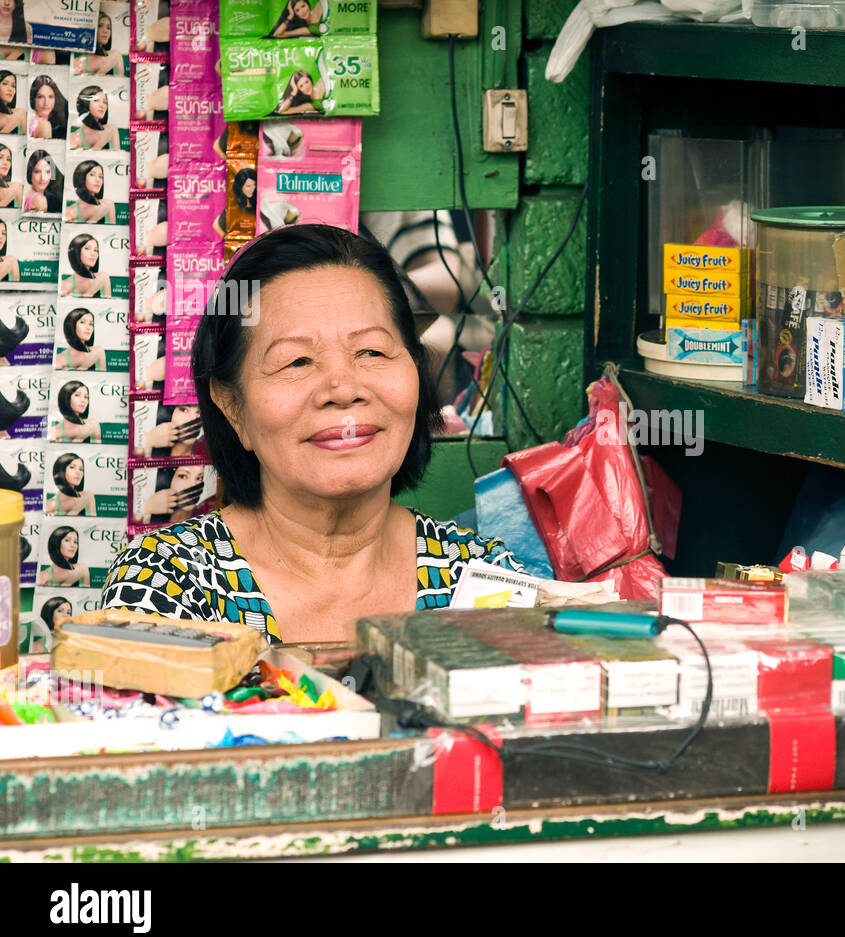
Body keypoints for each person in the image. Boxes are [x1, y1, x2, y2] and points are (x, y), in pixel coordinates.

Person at [101, 225, 524, 643]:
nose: (342, 389)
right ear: (232, 406)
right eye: (297, 361)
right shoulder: (166, 585)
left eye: (372, 352)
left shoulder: (483, 580)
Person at [74, 12, 125, 76]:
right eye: (100, 26)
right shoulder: (80, 60)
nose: (105, 31)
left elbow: (120, 83)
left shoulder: (116, 55)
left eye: (108, 28)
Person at [45, 452, 94, 517]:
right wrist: (77, 508)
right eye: (72, 467)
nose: (78, 472)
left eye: (81, 469)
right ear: (61, 470)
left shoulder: (88, 496)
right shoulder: (50, 504)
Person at [64, 160, 113, 226]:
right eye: (92, 175)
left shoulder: (108, 204)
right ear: (81, 177)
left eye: (100, 176)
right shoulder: (70, 211)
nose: (98, 180)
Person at [71, 86, 120, 151]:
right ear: (85, 103)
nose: (102, 105)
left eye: (104, 102)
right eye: (96, 100)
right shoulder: (74, 137)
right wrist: (98, 146)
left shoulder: (111, 130)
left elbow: (117, 157)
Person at [27, 74, 66, 140]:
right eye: (40, 97)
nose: (46, 103)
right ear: (33, 98)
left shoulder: (32, 120)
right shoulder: (44, 125)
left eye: (50, 97)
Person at [0, 69, 25, 135]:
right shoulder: (19, 113)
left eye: (13, 86)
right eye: (5, 84)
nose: (10, 89)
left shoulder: (16, 112)